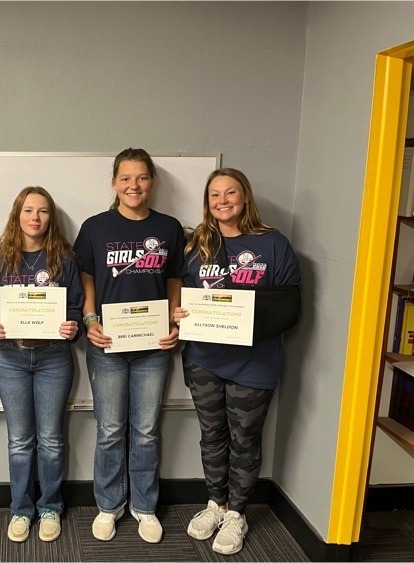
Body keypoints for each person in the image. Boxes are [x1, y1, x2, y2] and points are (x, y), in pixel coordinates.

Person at [174, 168, 301, 556]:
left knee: (244, 439)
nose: (222, 201)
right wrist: (177, 313)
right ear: (207, 201)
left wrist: (242, 322)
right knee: (212, 436)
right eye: (214, 195)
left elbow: (289, 306)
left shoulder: (274, 245)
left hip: (255, 364)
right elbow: (178, 293)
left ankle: (237, 514)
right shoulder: (195, 245)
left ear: (245, 197)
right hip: (204, 359)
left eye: (231, 193)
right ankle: (216, 504)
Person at [72, 148, 186, 544]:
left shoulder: (171, 228)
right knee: (110, 430)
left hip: (154, 346)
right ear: (114, 182)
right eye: (125, 178)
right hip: (106, 345)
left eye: (141, 178)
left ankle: (144, 506)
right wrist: (89, 321)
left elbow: (174, 281)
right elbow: (85, 280)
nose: (133, 186)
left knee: (147, 430)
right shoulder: (94, 227)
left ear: (151, 182)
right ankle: (109, 505)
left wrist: (174, 320)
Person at [0, 187, 83, 543]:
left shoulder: (65, 259)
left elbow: (76, 310)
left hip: (54, 358)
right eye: (28, 210)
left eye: (42, 211)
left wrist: (74, 326)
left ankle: (50, 507)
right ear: (17, 215)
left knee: (52, 440)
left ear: (50, 218)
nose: (35, 218)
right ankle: (21, 510)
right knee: (20, 441)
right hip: (10, 358)